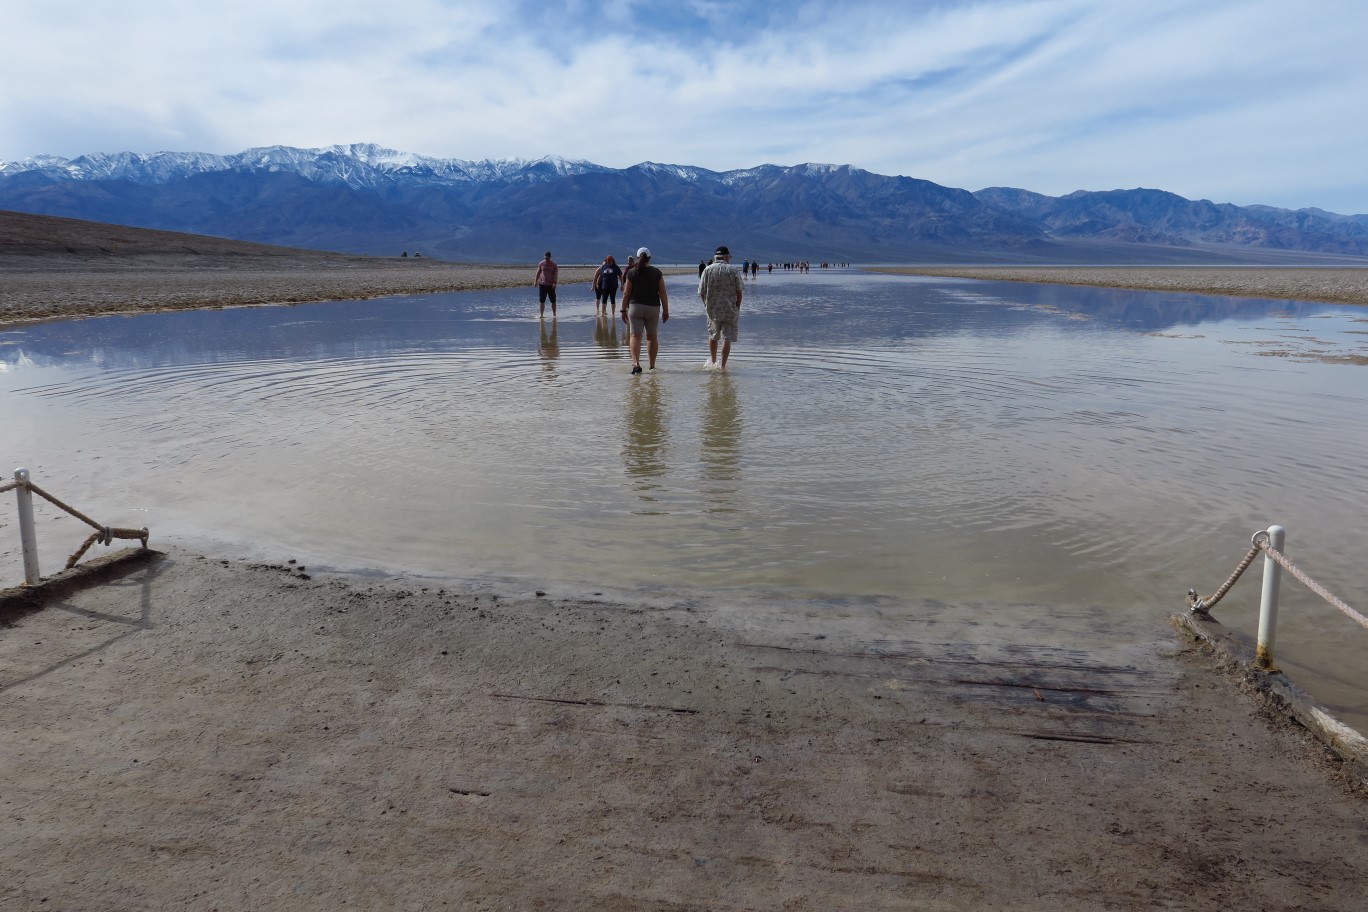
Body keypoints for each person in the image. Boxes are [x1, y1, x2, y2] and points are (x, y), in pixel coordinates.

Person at [620, 246, 669, 374]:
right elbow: (663, 293)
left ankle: (636, 364)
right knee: (652, 337)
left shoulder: (631, 272)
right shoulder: (657, 272)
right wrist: (666, 310)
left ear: (637, 258)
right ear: (650, 258)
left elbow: (626, 293)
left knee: (635, 336)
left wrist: (623, 310)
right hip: (653, 308)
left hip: (635, 307)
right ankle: (652, 367)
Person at [698, 244, 743, 369]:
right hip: (730, 310)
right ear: (727, 257)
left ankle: (713, 362)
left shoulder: (707, 270)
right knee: (726, 338)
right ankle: (722, 367)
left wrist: (706, 305)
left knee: (713, 336)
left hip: (713, 310)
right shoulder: (733, 270)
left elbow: (701, 292)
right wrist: (737, 307)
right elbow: (739, 292)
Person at [534, 251, 558, 318]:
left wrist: (555, 283)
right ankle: (541, 315)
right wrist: (535, 281)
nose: (546, 259)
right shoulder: (541, 263)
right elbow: (538, 272)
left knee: (553, 300)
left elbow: (555, 274)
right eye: (545, 258)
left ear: (550, 257)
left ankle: (554, 315)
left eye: (547, 258)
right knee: (542, 300)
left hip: (551, 285)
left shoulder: (554, 265)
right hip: (542, 284)